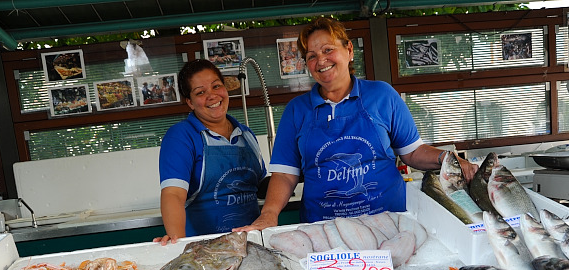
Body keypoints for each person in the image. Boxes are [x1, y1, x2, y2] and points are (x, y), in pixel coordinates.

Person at [235, 17, 476, 232]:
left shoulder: (382, 95)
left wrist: (449, 159)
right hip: (325, 229)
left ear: (349, 50)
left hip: (389, 222)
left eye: (328, 50)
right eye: (311, 56)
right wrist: (268, 215)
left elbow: (412, 152)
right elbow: (285, 175)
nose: (321, 60)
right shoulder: (296, 110)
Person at [154, 59, 266, 245]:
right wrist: (178, 244)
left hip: (251, 245)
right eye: (200, 92)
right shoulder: (182, 136)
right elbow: (173, 194)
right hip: (206, 250)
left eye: (216, 86)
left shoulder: (246, 134)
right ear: (190, 102)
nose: (212, 96)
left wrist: (290, 175)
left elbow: (259, 186)